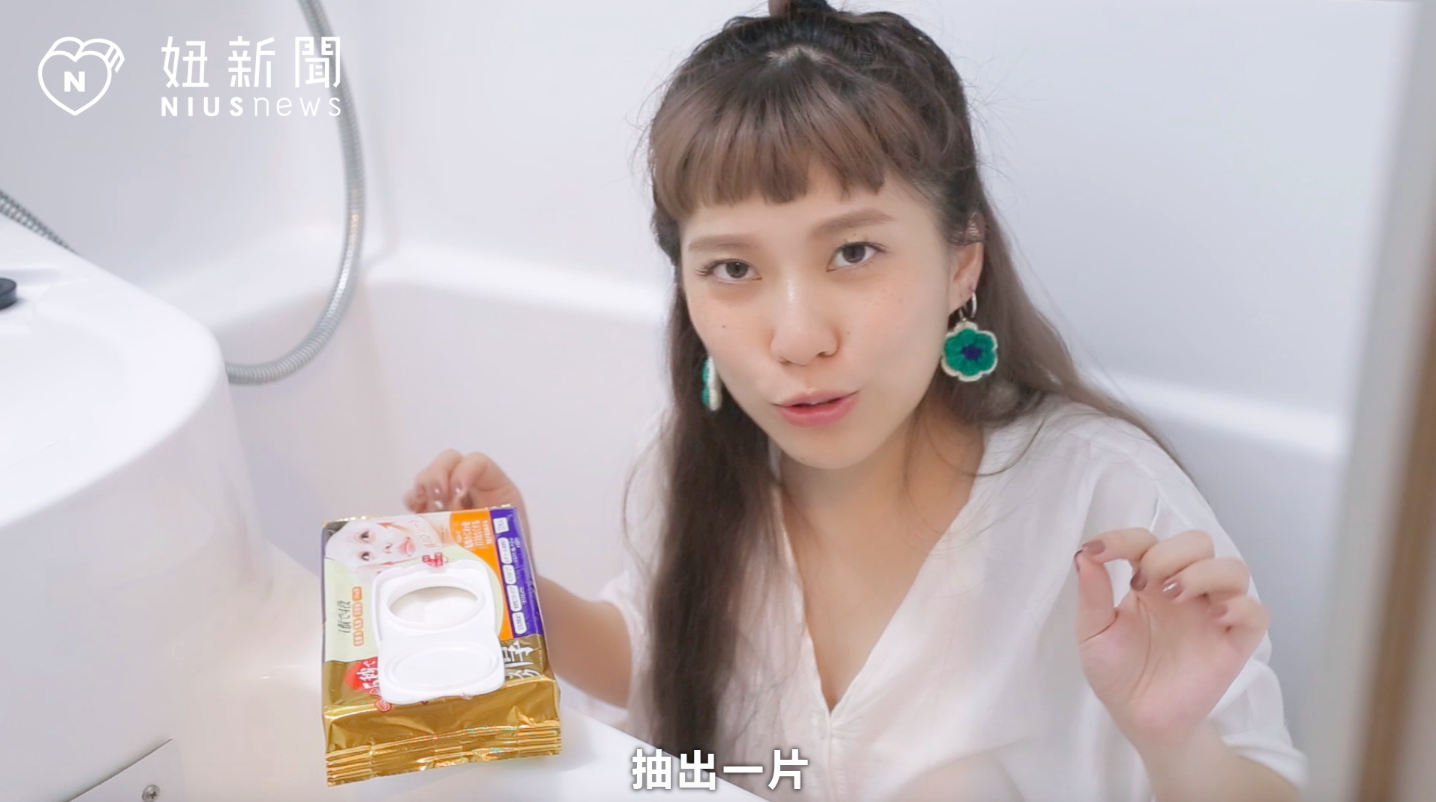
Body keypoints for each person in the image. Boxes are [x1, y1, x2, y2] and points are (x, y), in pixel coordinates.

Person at [401, 1, 1305, 799]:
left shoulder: (1106, 503)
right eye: (733, 268)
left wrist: (1175, 741)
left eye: (853, 253)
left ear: (961, 263)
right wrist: (509, 589)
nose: (798, 338)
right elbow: (656, 655)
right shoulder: (695, 457)